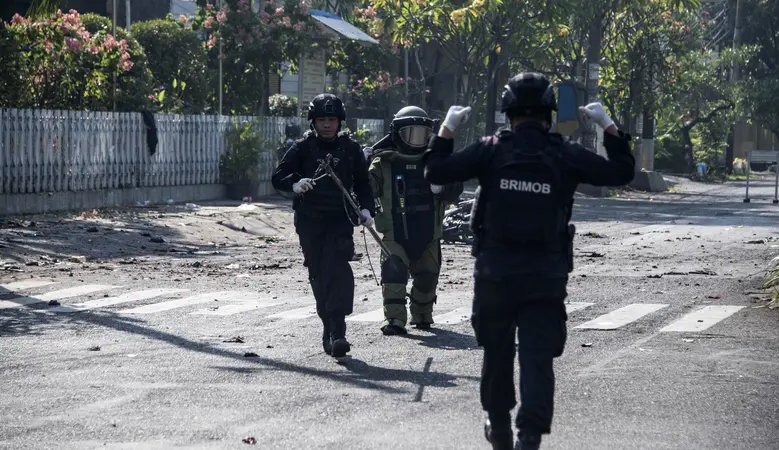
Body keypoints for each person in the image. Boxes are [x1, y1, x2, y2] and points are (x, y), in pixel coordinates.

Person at [422, 72, 635, 450]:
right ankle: (530, 436)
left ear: (509, 115)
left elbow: (436, 172)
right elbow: (620, 173)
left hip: (495, 275)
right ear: (549, 115)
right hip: (545, 276)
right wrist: (608, 125)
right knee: (537, 358)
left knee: (497, 351)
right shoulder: (565, 154)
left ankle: (499, 427)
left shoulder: (490, 149)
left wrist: (446, 130)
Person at [271, 93, 376, 358]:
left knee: (338, 269)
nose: (327, 125)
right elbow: (278, 177)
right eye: (321, 120)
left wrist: (366, 209)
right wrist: (295, 184)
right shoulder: (301, 149)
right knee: (318, 275)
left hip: (339, 221)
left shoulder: (351, 150)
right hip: (309, 222)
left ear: (340, 122)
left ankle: (339, 332)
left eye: (331, 119)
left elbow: (364, 184)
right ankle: (327, 327)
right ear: (313, 122)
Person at [363, 106, 464, 335]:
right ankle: (395, 320)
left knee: (428, 277)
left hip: (429, 232)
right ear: (397, 134)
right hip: (394, 232)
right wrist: (360, 166)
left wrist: (443, 187)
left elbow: (455, 188)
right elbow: (367, 188)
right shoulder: (383, 163)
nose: (417, 140)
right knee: (394, 271)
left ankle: (421, 314)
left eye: (423, 134)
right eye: (411, 133)